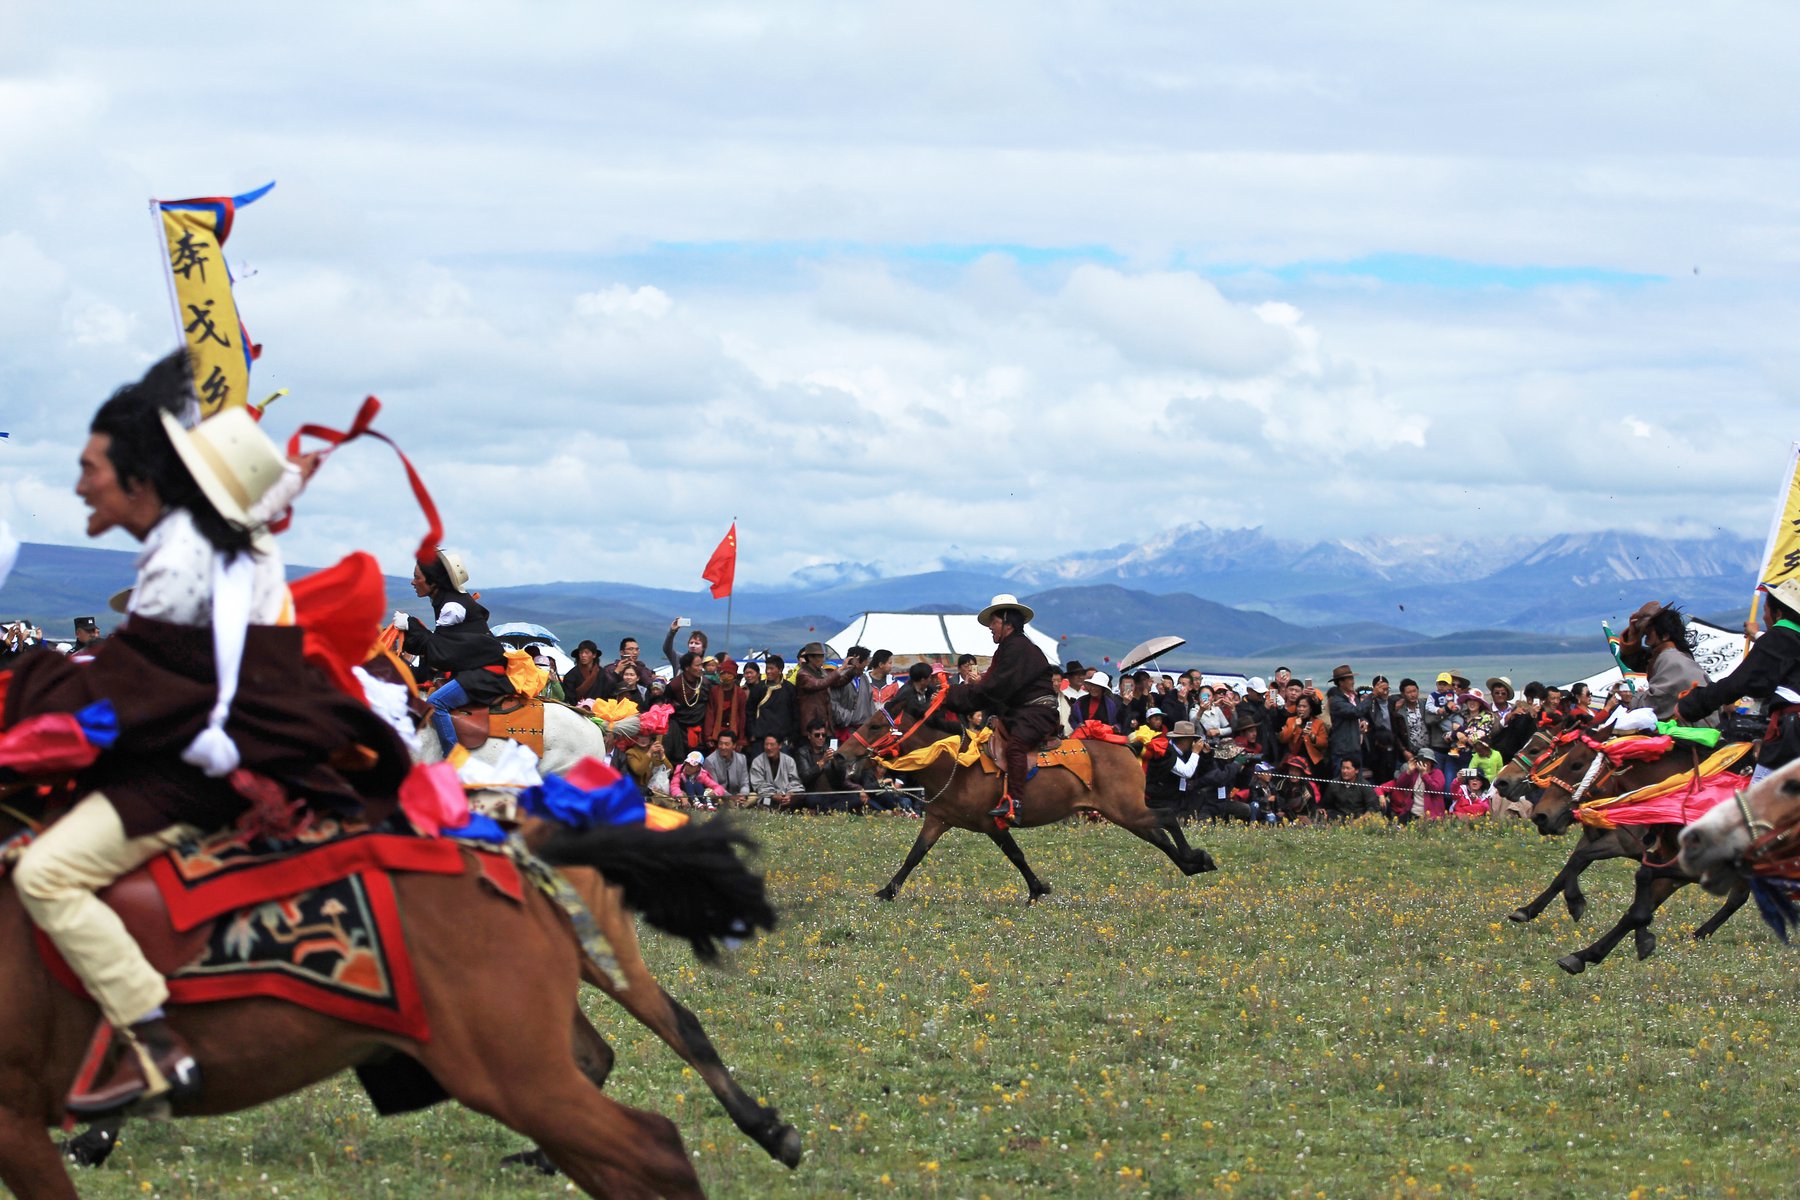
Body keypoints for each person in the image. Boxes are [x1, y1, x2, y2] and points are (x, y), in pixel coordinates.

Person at [8, 353, 409, 1116]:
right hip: (223, 740)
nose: (78, 483)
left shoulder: (185, 556)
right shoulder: (214, 536)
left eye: (91, 466)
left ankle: (156, 1042)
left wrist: (23, 700)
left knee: (44, 874)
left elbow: (127, 689)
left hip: (206, 764)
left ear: (146, 478)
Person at [940, 595, 1061, 827]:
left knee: (1015, 747)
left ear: (1007, 622)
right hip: (1021, 713)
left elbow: (995, 688)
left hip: (1037, 713)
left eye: (993, 623)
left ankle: (1015, 802)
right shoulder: (1009, 648)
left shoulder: (1017, 647)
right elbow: (994, 687)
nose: (990, 628)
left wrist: (952, 696)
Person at [1677, 579, 1800, 782]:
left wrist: (1692, 705)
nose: (1763, 616)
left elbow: (1740, 682)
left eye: (1766, 610)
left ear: (1778, 614)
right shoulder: (1789, 641)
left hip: (1792, 732)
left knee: (1760, 800)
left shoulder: (1780, 637)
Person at [794, 642, 855, 742]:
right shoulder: (803, 674)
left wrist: (852, 671)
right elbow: (820, 684)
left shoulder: (821, 671)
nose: (821, 659)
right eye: (818, 657)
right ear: (810, 658)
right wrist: (841, 669)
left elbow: (837, 682)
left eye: (822, 656)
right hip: (811, 725)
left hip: (825, 722)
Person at [661, 650, 712, 762]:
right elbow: (665, 705)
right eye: (697, 665)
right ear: (687, 668)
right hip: (680, 730)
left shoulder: (706, 684)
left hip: (701, 730)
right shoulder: (675, 686)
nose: (701, 669)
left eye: (701, 665)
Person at [1380, 748, 1446, 823]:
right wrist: (1408, 772)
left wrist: (1424, 775)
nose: (1424, 763)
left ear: (1431, 763)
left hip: (1431, 816)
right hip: (1413, 813)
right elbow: (1400, 785)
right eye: (1422, 760)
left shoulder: (1437, 773)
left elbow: (1435, 789)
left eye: (1427, 761)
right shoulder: (1414, 773)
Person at [746, 653, 799, 748]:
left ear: (780, 670)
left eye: (771, 669)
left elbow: (795, 714)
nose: (768, 671)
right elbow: (750, 712)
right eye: (767, 668)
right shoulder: (758, 688)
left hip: (783, 739)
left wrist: (792, 737)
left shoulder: (790, 689)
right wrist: (752, 733)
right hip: (760, 737)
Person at [828, 645, 876, 742]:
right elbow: (832, 701)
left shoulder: (864, 678)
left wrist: (872, 722)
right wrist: (849, 717)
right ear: (857, 661)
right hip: (844, 729)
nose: (865, 667)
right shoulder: (839, 678)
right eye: (865, 663)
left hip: (863, 729)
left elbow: (870, 702)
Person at [703, 656, 749, 749]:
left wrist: (741, 739)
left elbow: (742, 716)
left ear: (734, 676)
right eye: (723, 674)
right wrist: (708, 736)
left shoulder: (740, 693)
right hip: (717, 732)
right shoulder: (714, 691)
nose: (726, 677)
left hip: (733, 733)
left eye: (729, 674)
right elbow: (710, 713)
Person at [1280, 693, 1331, 776]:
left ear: (1310, 709)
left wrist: (1312, 736)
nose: (1301, 709)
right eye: (1299, 706)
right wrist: (1294, 726)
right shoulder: (1291, 720)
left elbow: (1324, 744)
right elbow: (1283, 739)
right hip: (1295, 758)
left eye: (1304, 706)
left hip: (1312, 760)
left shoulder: (1318, 723)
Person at [1325, 664, 1363, 772]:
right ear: (1341, 682)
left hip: (1355, 747)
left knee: (1357, 782)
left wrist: (1364, 722)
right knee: (1341, 782)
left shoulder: (1353, 697)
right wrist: (1372, 696)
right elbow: (1356, 711)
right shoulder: (1336, 701)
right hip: (1343, 750)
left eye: (1352, 678)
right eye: (1350, 679)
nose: (1353, 681)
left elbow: (1360, 714)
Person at [1361, 675, 1397, 784]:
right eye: (1382, 689)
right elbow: (1361, 712)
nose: (1385, 692)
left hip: (1392, 745)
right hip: (1377, 747)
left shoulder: (1393, 702)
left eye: (1387, 689)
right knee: (1379, 777)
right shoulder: (1370, 704)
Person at [1069, 670, 1129, 734]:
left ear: (1102, 688)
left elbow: (1118, 722)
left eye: (1096, 686)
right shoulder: (1080, 702)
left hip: (1104, 739)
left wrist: (1115, 728)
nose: (1093, 688)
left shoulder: (1111, 705)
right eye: (1092, 685)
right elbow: (1072, 719)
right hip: (1084, 738)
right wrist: (1078, 726)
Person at [750, 734, 803, 807]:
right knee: (765, 801)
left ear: (780, 745)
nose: (768, 748)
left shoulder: (789, 760)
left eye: (772, 745)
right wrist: (774, 796)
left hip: (786, 795)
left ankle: (785, 806)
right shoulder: (757, 762)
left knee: (799, 797)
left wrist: (788, 794)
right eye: (766, 744)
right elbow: (758, 784)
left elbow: (795, 781)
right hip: (769, 796)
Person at [702, 730, 751, 801]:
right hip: (720, 796)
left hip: (737, 795)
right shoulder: (710, 761)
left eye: (727, 744)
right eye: (720, 743)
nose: (723, 747)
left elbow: (745, 783)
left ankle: (739, 803)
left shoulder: (742, 758)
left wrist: (743, 794)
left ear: (734, 745)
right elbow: (714, 786)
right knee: (714, 796)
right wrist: (730, 797)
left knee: (754, 796)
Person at [562, 640, 607, 704]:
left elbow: (607, 694)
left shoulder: (603, 674)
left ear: (594, 655)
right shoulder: (570, 675)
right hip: (576, 711)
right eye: (581, 653)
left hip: (598, 710)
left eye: (587, 653)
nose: (583, 655)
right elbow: (569, 697)